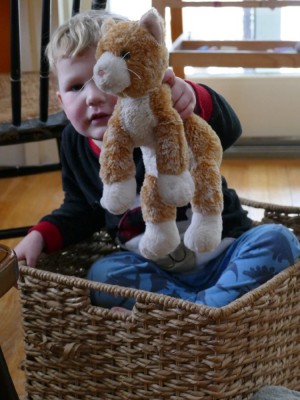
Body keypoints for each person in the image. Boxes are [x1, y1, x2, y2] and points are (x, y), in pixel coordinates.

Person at [14, 10, 300, 309]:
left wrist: (190, 95)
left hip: (227, 255)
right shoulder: (74, 143)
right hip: (155, 275)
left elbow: (229, 129)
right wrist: (41, 236)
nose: (92, 97)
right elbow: (81, 208)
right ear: (60, 100)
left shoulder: (164, 119)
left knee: (279, 239)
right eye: (75, 87)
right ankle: (206, 312)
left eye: (105, 81)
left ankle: (195, 315)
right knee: (102, 274)